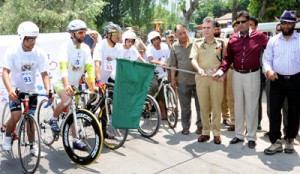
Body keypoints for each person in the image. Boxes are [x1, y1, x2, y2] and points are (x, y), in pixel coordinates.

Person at [212, 10, 268, 149]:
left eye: (244, 21)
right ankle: (239, 134)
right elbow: (227, 59)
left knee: (251, 106)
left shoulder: (259, 36)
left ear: (249, 22)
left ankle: (251, 136)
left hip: (252, 74)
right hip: (237, 74)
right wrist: (220, 71)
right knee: (238, 105)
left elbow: (271, 50)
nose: (241, 24)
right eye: (238, 22)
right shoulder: (233, 39)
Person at [2, 21, 51, 156]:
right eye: (29, 39)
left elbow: (45, 74)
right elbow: (5, 72)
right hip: (16, 90)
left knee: (30, 119)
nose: (32, 42)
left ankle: (32, 146)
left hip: (31, 90)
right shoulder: (12, 51)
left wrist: (49, 90)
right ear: (21, 37)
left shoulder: (39, 52)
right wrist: (10, 89)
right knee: (16, 115)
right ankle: (7, 137)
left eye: (34, 38)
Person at [49, 19, 97, 151]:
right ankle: (53, 119)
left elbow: (90, 68)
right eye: (81, 32)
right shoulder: (65, 46)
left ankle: (76, 140)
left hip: (74, 84)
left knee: (74, 111)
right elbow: (63, 67)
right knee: (67, 99)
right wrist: (66, 85)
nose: (83, 35)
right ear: (72, 34)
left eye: (84, 32)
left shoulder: (86, 48)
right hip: (60, 81)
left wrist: (93, 86)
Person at [263, 10, 300, 155]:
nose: (286, 26)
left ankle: (290, 139)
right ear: (281, 24)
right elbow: (266, 60)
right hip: (276, 81)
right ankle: (276, 141)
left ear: (294, 24)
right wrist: (269, 71)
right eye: (283, 23)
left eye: (289, 23)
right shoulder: (273, 40)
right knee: (274, 111)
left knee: (294, 111)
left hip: (296, 80)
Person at [190, 17, 226, 144]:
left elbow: (225, 61)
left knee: (217, 106)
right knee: (203, 106)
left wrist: (223, 74)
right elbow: (193, 59)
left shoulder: (221, 43)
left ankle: (217, 133)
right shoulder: (197, 43)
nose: (205, 30)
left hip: (216, 77)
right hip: (202, 77)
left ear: (214, 29)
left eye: (208, 28)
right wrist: (199, 69)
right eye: (204, 28)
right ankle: (205, 132)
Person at [169, 24, 202, 135]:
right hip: (183, 81)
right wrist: (173, 79)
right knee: (185, 107)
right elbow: (173, 65)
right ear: (176, 35)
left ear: (187, 31)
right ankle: (186, 127)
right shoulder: (174, 47)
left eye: (184, 32)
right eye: (180, 34)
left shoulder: (196, 43)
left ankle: (200, 126)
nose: (183, 35)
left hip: (198, 80)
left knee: (200, 106)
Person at [264, 23, 288, 137]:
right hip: (272, 80)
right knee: (271, 109)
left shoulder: (292, 42)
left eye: (281, 29)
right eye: (278, 30)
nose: (279, 31)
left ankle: (287, 133)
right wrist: (268, 72)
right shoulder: (271, 42)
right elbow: (265, 61)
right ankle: (274, 131)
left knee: (287, 108)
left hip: (288, 80)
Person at [146, 30, 170, 120]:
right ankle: (148, 102)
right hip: (152, 71)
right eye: (153, 39)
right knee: (154, 87)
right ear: (151, 41)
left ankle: (164, 114)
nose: (156, 40)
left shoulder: (165, 47)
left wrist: (167, 64)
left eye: (157, 38)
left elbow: (168, 58)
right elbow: (150, 60)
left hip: (163, 72)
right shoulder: (150, 48)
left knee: (162, 94)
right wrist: (160, 63)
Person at [214, 21, 231, 126]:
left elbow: (226, 58)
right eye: (215, 29)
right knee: (212, 97)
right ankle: (210, 117)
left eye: (218, 29)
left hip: (223, 72)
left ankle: (226, 117)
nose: (217, 31)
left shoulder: (224, 42)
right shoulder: (208, 42)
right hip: (211, 73)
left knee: (224, 97)